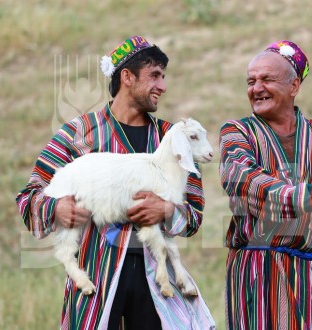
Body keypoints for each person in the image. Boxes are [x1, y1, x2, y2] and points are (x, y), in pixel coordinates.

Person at [16, 35, 215, 330]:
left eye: (164, 76)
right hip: (95, 277)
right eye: (155, 76)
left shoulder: (175, 138)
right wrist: (56, 209)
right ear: (127, 77)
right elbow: (28, 198)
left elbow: (194, 216)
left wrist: (167, 210)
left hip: (155, 284)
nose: (163, 86)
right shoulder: (78, 134)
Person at [219, 40, 312, 329]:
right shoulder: (237, 132)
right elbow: (245, 181)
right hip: (256, 278)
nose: (256, 88)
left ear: (294, 86)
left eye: (267, 79)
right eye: (251, 81)